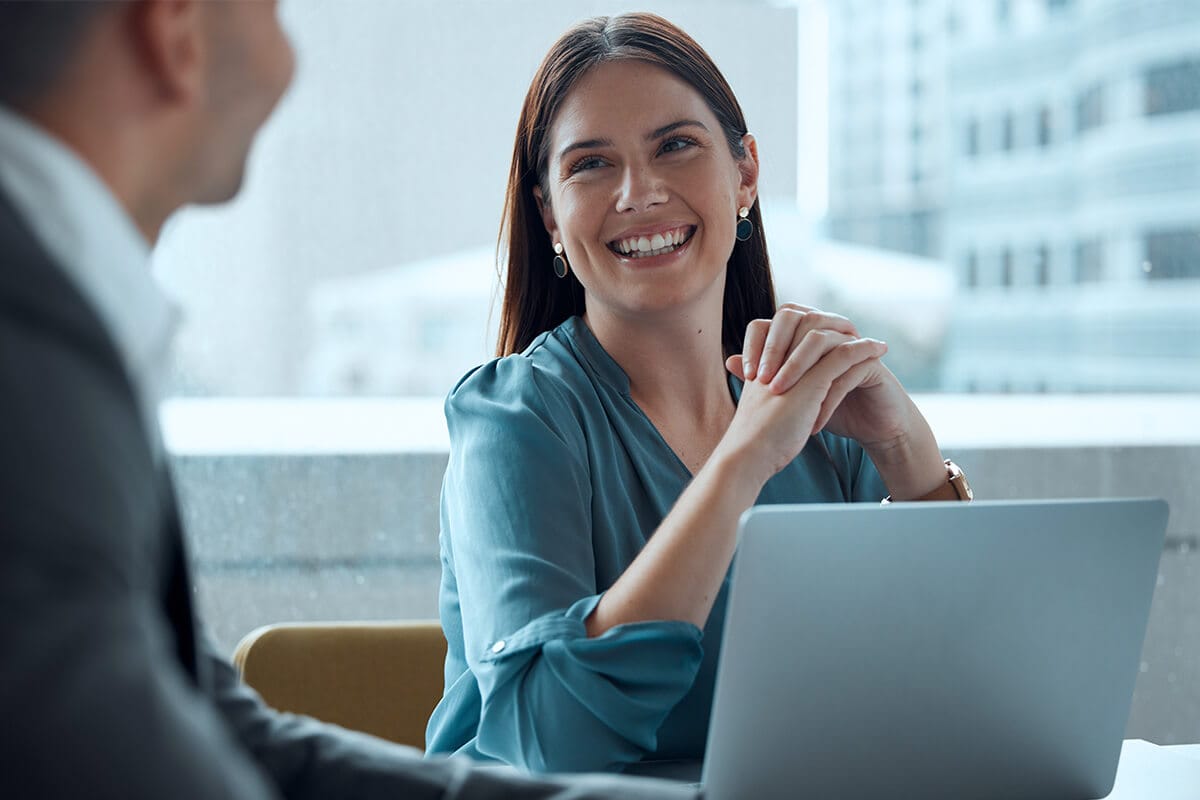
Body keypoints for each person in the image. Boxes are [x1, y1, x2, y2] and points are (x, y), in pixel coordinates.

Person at [0, 3, 700, 798]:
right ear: (176, 34)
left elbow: (221, 735)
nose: (292, 54)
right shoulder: (31, 355)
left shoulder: (62, 317)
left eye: (676, 145)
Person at [426, 12, 971, 774]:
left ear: (745, 173)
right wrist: (745, 460)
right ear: (549, 212)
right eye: (590, 165)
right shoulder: (516, 419)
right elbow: (549, 740)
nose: (639, 193)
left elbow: (966, 691)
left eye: (675, 146)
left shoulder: (818, 411)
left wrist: (905, 448)